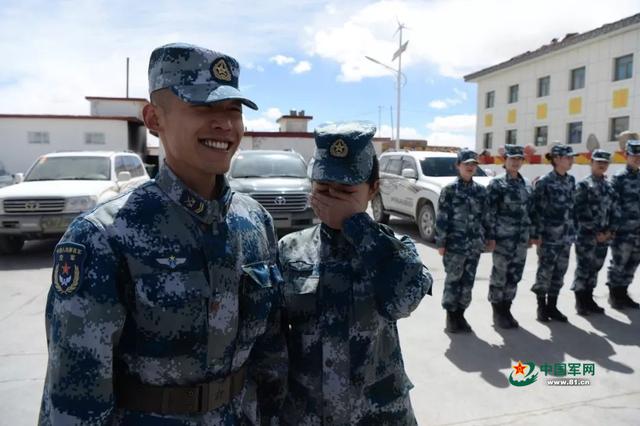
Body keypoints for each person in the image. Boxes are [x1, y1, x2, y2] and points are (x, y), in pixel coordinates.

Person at [39, 43, 287, 425]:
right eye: (204, 107)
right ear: (154, 118)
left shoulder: (254, 222)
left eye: (233, 110)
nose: (224, 124)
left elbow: (270, 355)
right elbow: (75, 397)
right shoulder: (103, 236)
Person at [278, 121, 432, 425]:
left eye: (346, 191)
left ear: (373, 188)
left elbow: (403, 299)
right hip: (308, 413)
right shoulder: (290, 249)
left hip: (378, 414)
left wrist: (357, 226)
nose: (332, 199)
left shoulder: (394, 248)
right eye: (323, 189)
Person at [436, 148, 491, 333]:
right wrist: (441, 243)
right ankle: (451, 317)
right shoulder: (449, 190)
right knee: (453, 280)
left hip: (474, 246)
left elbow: (486, 217)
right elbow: (442, 219)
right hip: (454, 246)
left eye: (473, 164)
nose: (470, 167)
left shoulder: (481, 191)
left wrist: (489, 238)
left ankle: (461, 314)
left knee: (468, 282)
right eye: (466, 164)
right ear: (458, 166)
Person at [485, 144, 534, 329]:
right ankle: (498, 312)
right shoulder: (497, 183)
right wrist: (490, 237)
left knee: (515, 276)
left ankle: (507, 308)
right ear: (505, 161)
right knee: (500, 275)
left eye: (519, 159)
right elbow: (489, 212)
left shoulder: (526, 183)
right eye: (512, 158)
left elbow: (531, 211)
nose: (515, 162)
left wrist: (532, 234)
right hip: (502, 239)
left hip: (521, 240)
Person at [530, 144, 577, 322]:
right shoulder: (545, 182)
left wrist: (574, 231)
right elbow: (536, 210)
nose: (571, 160)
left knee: (560, 272)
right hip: (548, 237)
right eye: (568, 157)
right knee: (545, 272)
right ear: (556, 159)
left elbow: (573, 209)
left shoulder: (571, 181)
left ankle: (553, 306)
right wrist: (536, 234)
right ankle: (542, 307)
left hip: (566, 237)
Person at [571, 149, 615, 315]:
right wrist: (596, 231)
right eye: (599, 162)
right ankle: (580, 301)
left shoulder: (609, 186)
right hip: (587, 235)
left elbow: (613, 210)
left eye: (605, 162)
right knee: (584, 268)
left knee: (595, 268)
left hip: (604, 237)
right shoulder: (583, 185)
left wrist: (610, 231)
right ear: (591, 163)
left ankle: (589, 299)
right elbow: (579, 211)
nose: (602, 165)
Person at [607, 138, 640, 309]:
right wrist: (614, 227)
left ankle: (623, 293)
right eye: (634, 155)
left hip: (638, 231)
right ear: (626, 155)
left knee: (633, 263)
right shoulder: (619, 178)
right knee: (619, 263)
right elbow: (613, 204)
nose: (637, 158)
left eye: (639, 155)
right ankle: (614, 295)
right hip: (623, 230)